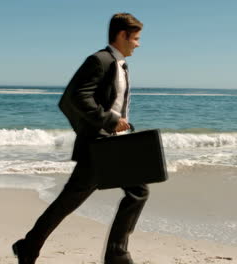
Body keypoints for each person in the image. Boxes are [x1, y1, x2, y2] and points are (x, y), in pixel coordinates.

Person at [12, 13, 148, 264]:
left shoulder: (118, 64)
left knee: (136, 191)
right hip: (99, 147)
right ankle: (31, 247)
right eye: (136, 38)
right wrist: (109, 121)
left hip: (111, 144)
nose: (138, 44)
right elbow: (76, 97)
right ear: (122, 35)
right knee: (71, 201)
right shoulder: (100, 60)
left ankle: (31, 247)